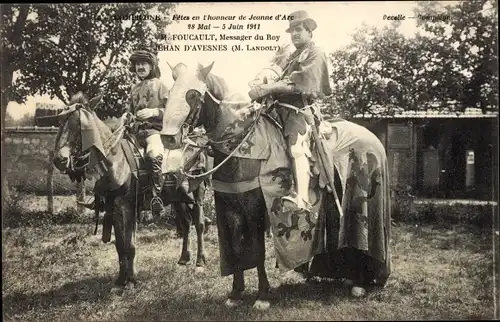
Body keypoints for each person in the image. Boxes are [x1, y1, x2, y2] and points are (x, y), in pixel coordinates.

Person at [248, 10, 332, 212]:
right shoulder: (291, 56)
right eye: (292, 30)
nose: (294, 34)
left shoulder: (316, 53)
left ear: (310, 31)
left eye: (299, 29)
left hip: (299, 109)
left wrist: (269, 88)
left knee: (296, 148)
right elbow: (278, 77)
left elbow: (300, 84)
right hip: (279, 109)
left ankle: (302, 197)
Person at [127, 49, 169, 217]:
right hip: (134, 132)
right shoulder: (134, 88)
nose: (140, 67)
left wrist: (154, 112)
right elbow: (129, 111)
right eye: (137, 64)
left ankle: (155, 198)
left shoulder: (161, 86)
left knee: (153, 155)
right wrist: (127, 116)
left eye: (144, 63)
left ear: (152, 66)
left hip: (153, 131)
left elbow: (172, 111)